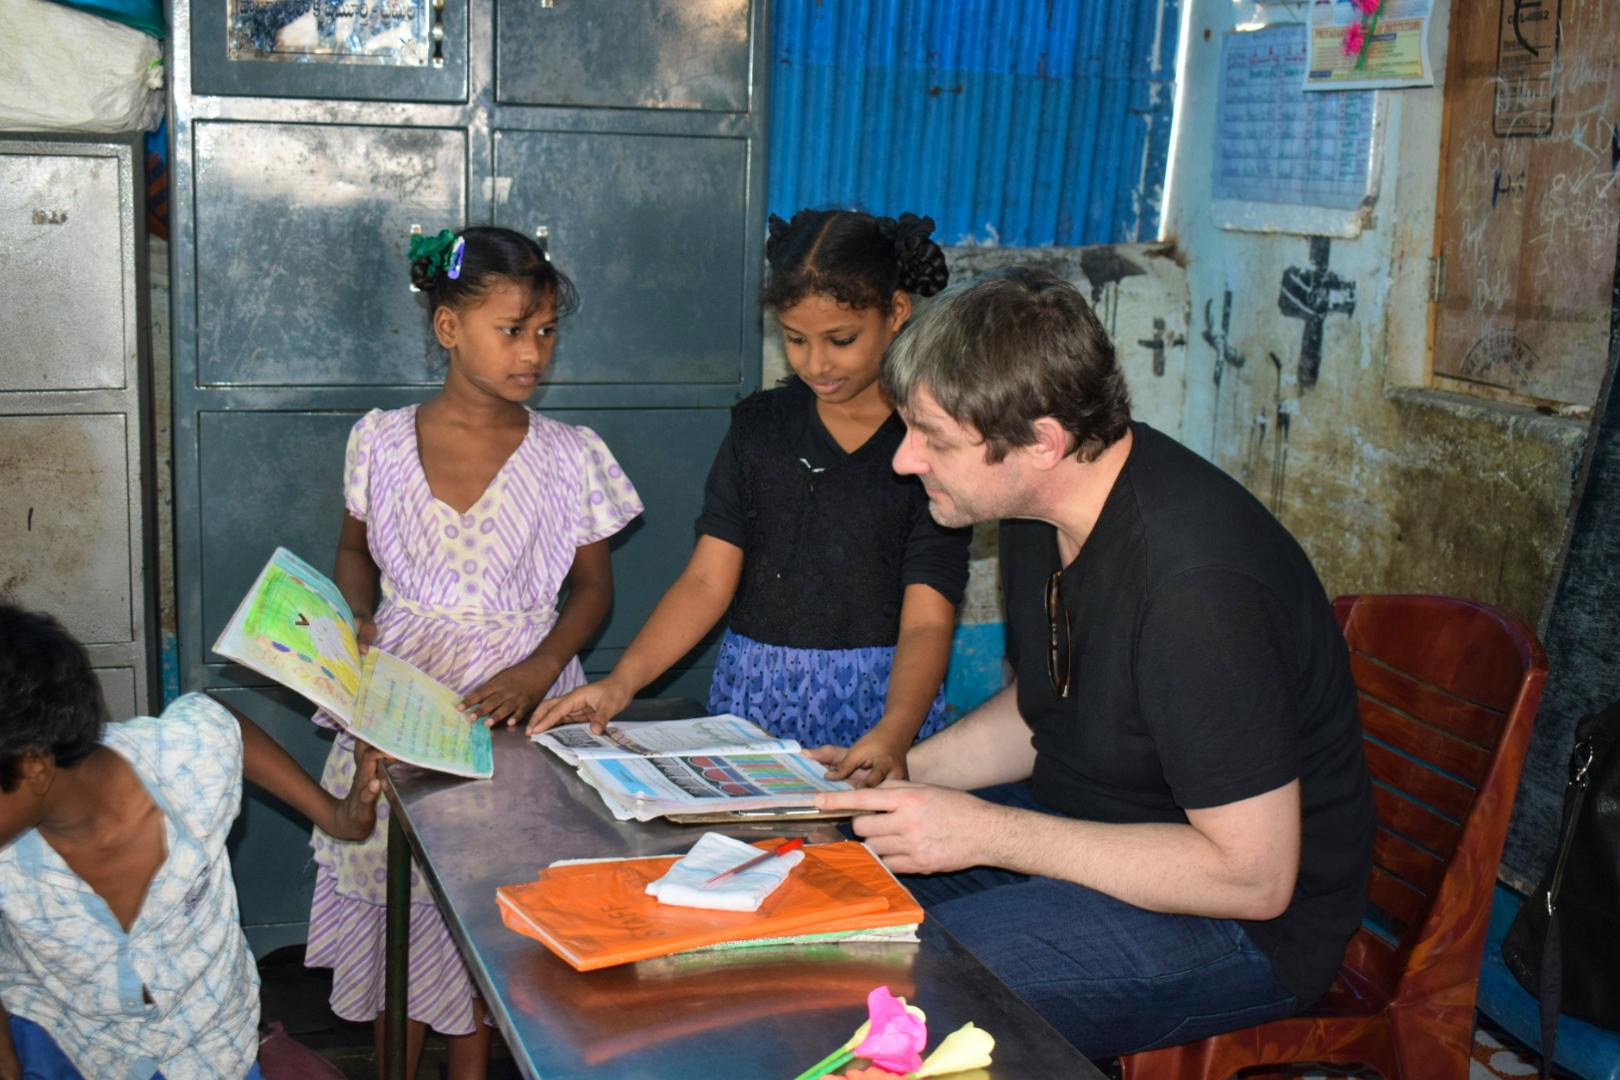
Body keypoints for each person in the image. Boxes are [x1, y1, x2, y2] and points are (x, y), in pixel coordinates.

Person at [813, 267, 1375, 1058]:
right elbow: (1046, 702)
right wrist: (890, 778)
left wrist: (989, 834)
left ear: (1040, 441)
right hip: (1093, 837)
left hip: (1241, 925)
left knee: (904, 998)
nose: (906, 461)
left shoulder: (1196, 591)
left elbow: (1254, 877)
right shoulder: (1042, 505)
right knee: (819, 914)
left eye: (932, 438)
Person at [305, 226, 643, 1079]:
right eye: (512, 329)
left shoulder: (570, 456)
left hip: (518, 712)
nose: (533, 351)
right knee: (397, 902)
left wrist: (539, 668)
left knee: (495, 906)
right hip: (402, 696)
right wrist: (357, 612)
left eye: (547, 331)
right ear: (450, 328)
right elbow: (354, 550)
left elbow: (594, 592)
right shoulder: (379, 440)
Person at [529, 209, 970, 785]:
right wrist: (622, 681)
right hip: (754, 708)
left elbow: (927, 623)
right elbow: (707, 581)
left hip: (879, 713)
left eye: (841, 340)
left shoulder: (930, 443)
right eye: (795, 339)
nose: (816, 363)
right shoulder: (759, 429)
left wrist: (896, 729)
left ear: (895, 314)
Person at [0, 602, 384, 1080]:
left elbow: (220, 722)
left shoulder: (183, 768)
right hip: (66, 1043)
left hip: (206, 1049)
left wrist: (336, 815)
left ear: (33, 766)